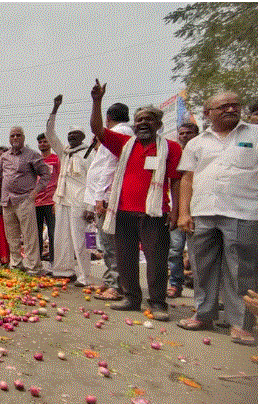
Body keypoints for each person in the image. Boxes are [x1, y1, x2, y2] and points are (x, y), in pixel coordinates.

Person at [90, 79, 183, 321]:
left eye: (148, 120)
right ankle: (131, 298)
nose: (142, 123)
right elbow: (98, 130)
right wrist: (97, 101)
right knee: (126, 257)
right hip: (123, 211)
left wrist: (177, 211)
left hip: (154, 213)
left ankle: (158, 303)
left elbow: (175, 181)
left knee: (156, 260)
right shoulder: (124, 144)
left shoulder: (171, 148)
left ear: (159, 124)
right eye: (139, 120)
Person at [177, 92, 258, 345]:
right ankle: (204, 315)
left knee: (241, 270)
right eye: (223, 106)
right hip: (203, 212)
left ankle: (241, 323)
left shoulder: (257, 135)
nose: (230, 109)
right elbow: (187, 178)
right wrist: (183, 212)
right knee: (202, 266)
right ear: (208, 113)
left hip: (245, 212)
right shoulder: (197, 143)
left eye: (235, 104)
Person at [86, 102, 134, 301]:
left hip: (107, 198)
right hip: (106, 197)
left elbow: (109, 167)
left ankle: (117, 286)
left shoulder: (117, 134)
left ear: (107, 118)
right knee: (109, 244)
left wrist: (101, 197)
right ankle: (111, 280)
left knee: (110, 244)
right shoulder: (124, 133)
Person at [45, 95, 94, 286]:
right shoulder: (64, 151)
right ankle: (63, 270)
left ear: (82, 137)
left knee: (80, 239)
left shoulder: (88, 153)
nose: (71, 137)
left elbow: (93, 180)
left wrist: (90, 205)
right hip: (62, 199)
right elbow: (50, 134)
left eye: (75, 134)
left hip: (80, 201)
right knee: (61, 237)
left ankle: (84, 276)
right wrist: (55, 109)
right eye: (70, 134)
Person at [0, 126, 50, 272]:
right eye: (12, 136)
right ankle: (16, 263)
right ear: (9, 138)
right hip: (7, 201)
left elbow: (45, 175)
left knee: (29, 235)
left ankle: (33, 266)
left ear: (24, 137)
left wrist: (35, 192)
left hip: (25, 200)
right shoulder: (4, 156)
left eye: (18, 135)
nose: (15, 138)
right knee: (12, 236)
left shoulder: (32, 155)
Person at [166, 122, 199, 298]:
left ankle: (203, 291)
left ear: (197, 134)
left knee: (197, 253)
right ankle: (175, 284)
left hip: (199, 209)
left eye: (189, 133)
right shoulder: (175, 154)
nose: (185, 136)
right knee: (175, 250)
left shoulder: (201, 151)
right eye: (182, 133)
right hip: (178, 209)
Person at [35, 133, 60, 262]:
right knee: (37, 234)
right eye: (40, 142)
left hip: (51, 201)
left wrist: (58, 199)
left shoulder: (56, 159)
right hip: (36, 202)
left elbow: (61, 179)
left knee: (52, 233)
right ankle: (37, 263)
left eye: (45, 142)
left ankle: (54, 262)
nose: (43, 144)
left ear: (50, 143)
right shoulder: (35, 160)